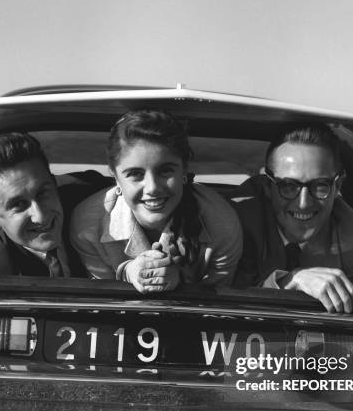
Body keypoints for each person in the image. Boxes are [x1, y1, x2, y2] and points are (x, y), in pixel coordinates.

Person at [70, 109, 243, 293]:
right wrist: (128, 272)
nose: (152, 188)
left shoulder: (222, 224)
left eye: (165, 170)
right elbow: (102, 301)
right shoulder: (87, 224)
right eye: (135, 174)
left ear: (184, 170)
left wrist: (181, 282)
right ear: (115, 176)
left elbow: (218, 303)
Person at [231, 123, 353, 313]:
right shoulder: (232, 227)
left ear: (338, 186)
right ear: (267, 187)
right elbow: (224, 306)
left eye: (320, 186)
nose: (303, 203)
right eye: (288, 186)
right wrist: (290, 281)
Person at [0, 132, 105, 277]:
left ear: (55, 184)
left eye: (42, 193)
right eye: (18, 204)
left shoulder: (96, 205)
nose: (40, 217)